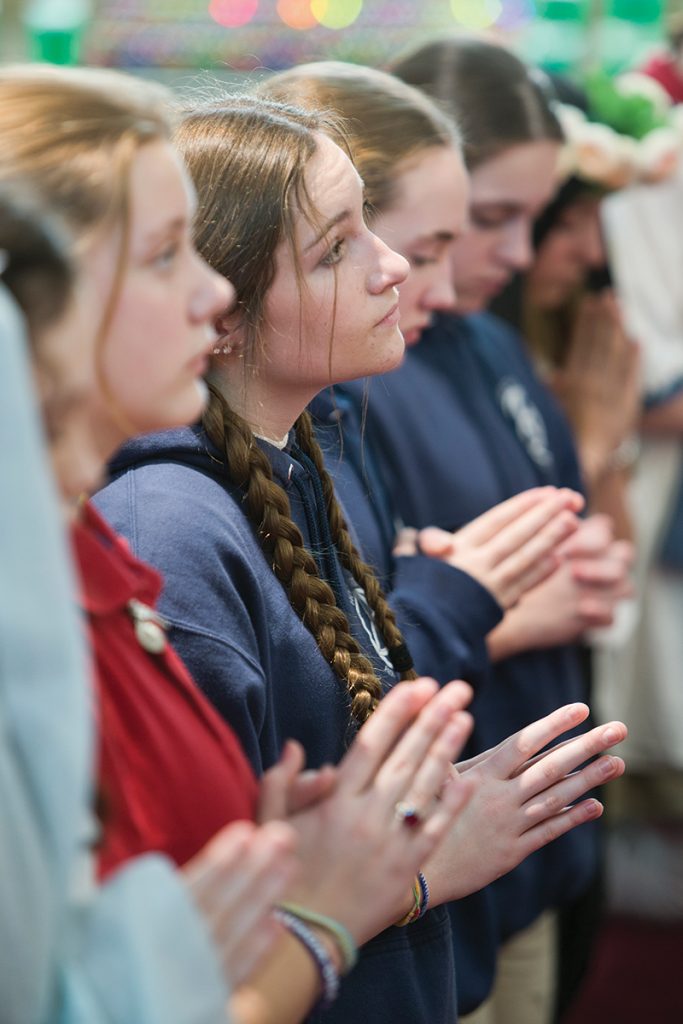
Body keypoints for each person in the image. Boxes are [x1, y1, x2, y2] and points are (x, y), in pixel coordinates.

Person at [94, 90, 627, 1023]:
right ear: (220, 310)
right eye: (337, 248)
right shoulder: (171, 536)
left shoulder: (290, 469)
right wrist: (416, 874)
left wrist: (420, 819)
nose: (397, 269)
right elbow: (189, 942)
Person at [0, 66, 483, 1024]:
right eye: (163, 256)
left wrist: (301, 854)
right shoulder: (161, 528)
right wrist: (335, 910)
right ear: (40, 311)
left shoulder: (105, 537)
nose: (212, 291)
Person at [282, 37, 632, 1024]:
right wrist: (493, 605)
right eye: (482, 222)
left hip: (502, 842)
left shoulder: (478, 344)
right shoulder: (353, 384)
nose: (518, 254)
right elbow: (331, 668)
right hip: (418, 865)